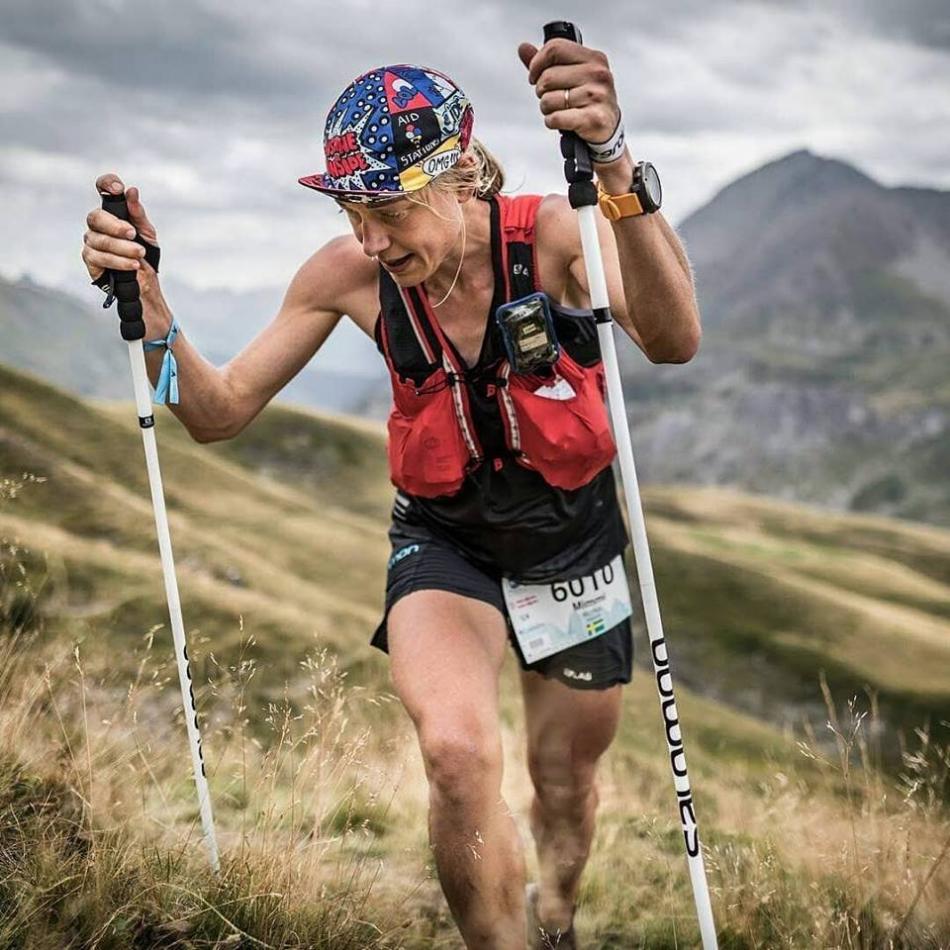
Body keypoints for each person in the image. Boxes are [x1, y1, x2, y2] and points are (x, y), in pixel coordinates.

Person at [82, 36, 700, 950]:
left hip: (573, 541)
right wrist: (152, 313)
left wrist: (611, 160)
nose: (368, 237)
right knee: (455, 755)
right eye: (350, 209)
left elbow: (673, 337)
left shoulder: (559, 236)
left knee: (564, 784)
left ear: (456, 177)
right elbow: (214, 413)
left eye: (385, 209)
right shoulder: (349, 276)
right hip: (447, 542)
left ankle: (558, 912)